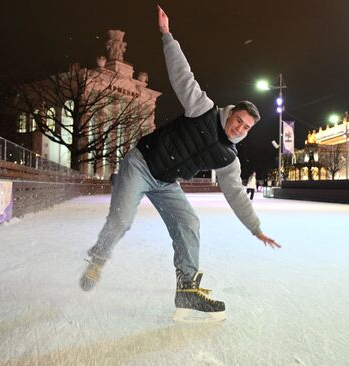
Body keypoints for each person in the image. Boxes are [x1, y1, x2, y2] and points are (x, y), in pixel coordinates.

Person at [80, 6, 280, 322]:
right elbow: (182, 74)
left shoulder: (229, 159)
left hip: (165, 182)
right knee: (121, 220)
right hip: (141, 164)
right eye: (238, 121)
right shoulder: (203, 109)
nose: (239, 128)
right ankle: (97, 258)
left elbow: (236, 194)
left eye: (246, 127)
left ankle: (186, 286)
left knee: (189, 222)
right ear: (231, 113)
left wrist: (255, 228)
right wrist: (166, 34)